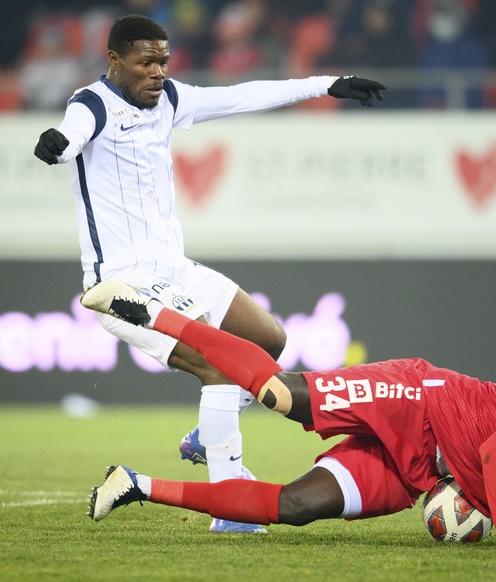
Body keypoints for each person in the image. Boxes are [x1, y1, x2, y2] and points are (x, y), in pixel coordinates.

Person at [79, 280, 496, 550]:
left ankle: (135, 484)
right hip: (421, 402)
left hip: (423, 469)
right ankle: (154, 312)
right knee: (280, 396)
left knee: (295, 507)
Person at [32, 14, 385, 534]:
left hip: (175, 268)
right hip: (122, 287)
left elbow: (244, 96)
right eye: (145, 62)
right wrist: (57, 144)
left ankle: (206, 434)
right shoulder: (92, 105)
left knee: (268, 339)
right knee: (220, 365)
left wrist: (325, 84)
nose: (157, 72)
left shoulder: (171, 99)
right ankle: (229, 507)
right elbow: (70, 134)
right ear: (114, 60)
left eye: (163, 61)